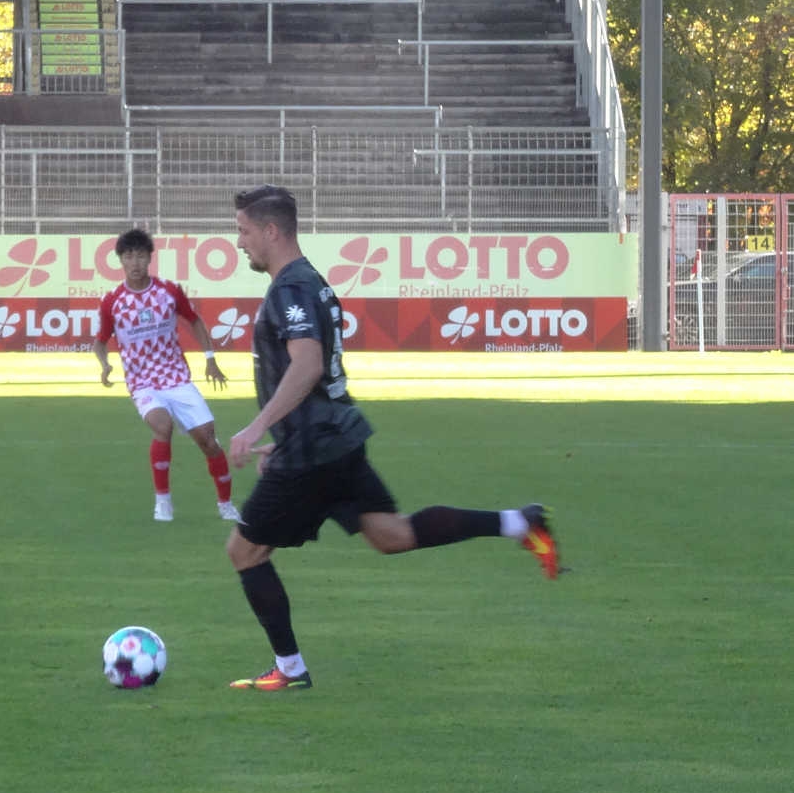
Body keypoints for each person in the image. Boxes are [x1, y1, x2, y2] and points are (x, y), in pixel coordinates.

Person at [222, 185, 560, 691]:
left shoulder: (291, 288)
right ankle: (519, 522)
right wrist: (283, 436)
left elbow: (308, 364)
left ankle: (290, 670)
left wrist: (255, 428)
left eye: (244, 231)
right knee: (392, 535)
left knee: (244, 552)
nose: (239, 242)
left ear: (271, 231)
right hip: (333, 438)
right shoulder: (310, 281)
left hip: (317, 450)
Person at [93, 227, 239, 523]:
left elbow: (194, 321)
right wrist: (105, 364)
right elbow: (100, 340)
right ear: (120, 260)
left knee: (208, 442)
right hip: (142, 381)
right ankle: (163, 502)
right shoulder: (112, 301)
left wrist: (210, 359)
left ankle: (225, 504)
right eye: (128, 256)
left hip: (176, 378)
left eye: (140, 256)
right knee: (162, 426)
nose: (135, 262)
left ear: (150, 259)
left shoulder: (169, 292)